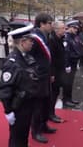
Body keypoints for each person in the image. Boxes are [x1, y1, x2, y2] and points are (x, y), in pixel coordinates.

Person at [0, 24, 40, 147]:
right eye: (30, 40)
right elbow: (5, 89)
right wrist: (8, 111)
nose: (32, 43)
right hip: (18, 107)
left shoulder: (25, 57)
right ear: (22, 42)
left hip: (27, 104)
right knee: (17, 138)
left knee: (23, 135)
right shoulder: (12, 62)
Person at [29, 13, 55, 144]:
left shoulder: (45, 36)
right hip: (38, 76)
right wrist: (35, 72)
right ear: (42, 24)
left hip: (45, 75)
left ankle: (44, 125)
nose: (52, 26)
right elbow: (29, 56)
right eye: (50, 23)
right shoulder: (34, 37)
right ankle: (36, 131)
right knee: (38, 105)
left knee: (46, 101)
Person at [48, 21, 66, 123]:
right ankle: (50, 114)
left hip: (59, 71)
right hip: (54, 72)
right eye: (63, 28)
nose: (64, 30)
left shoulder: (60, 39)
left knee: (56, 92)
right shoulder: (52, 40)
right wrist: (52, 74)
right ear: (56, 29)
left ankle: (51, 112)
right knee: (53, 93)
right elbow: (51, 59)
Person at [63, 20, 81, 107]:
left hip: (74, 62)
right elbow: (66, 53)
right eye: (74, 28)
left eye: (76, 28)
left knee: (71, 82)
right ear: (69, 28)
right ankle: (66, 100)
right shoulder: (67, 37)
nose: (76, 30)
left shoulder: (74, 37)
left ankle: (69, 98)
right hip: (69, 63)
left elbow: (76, 49)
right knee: (67, 83)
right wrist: (67, 65)